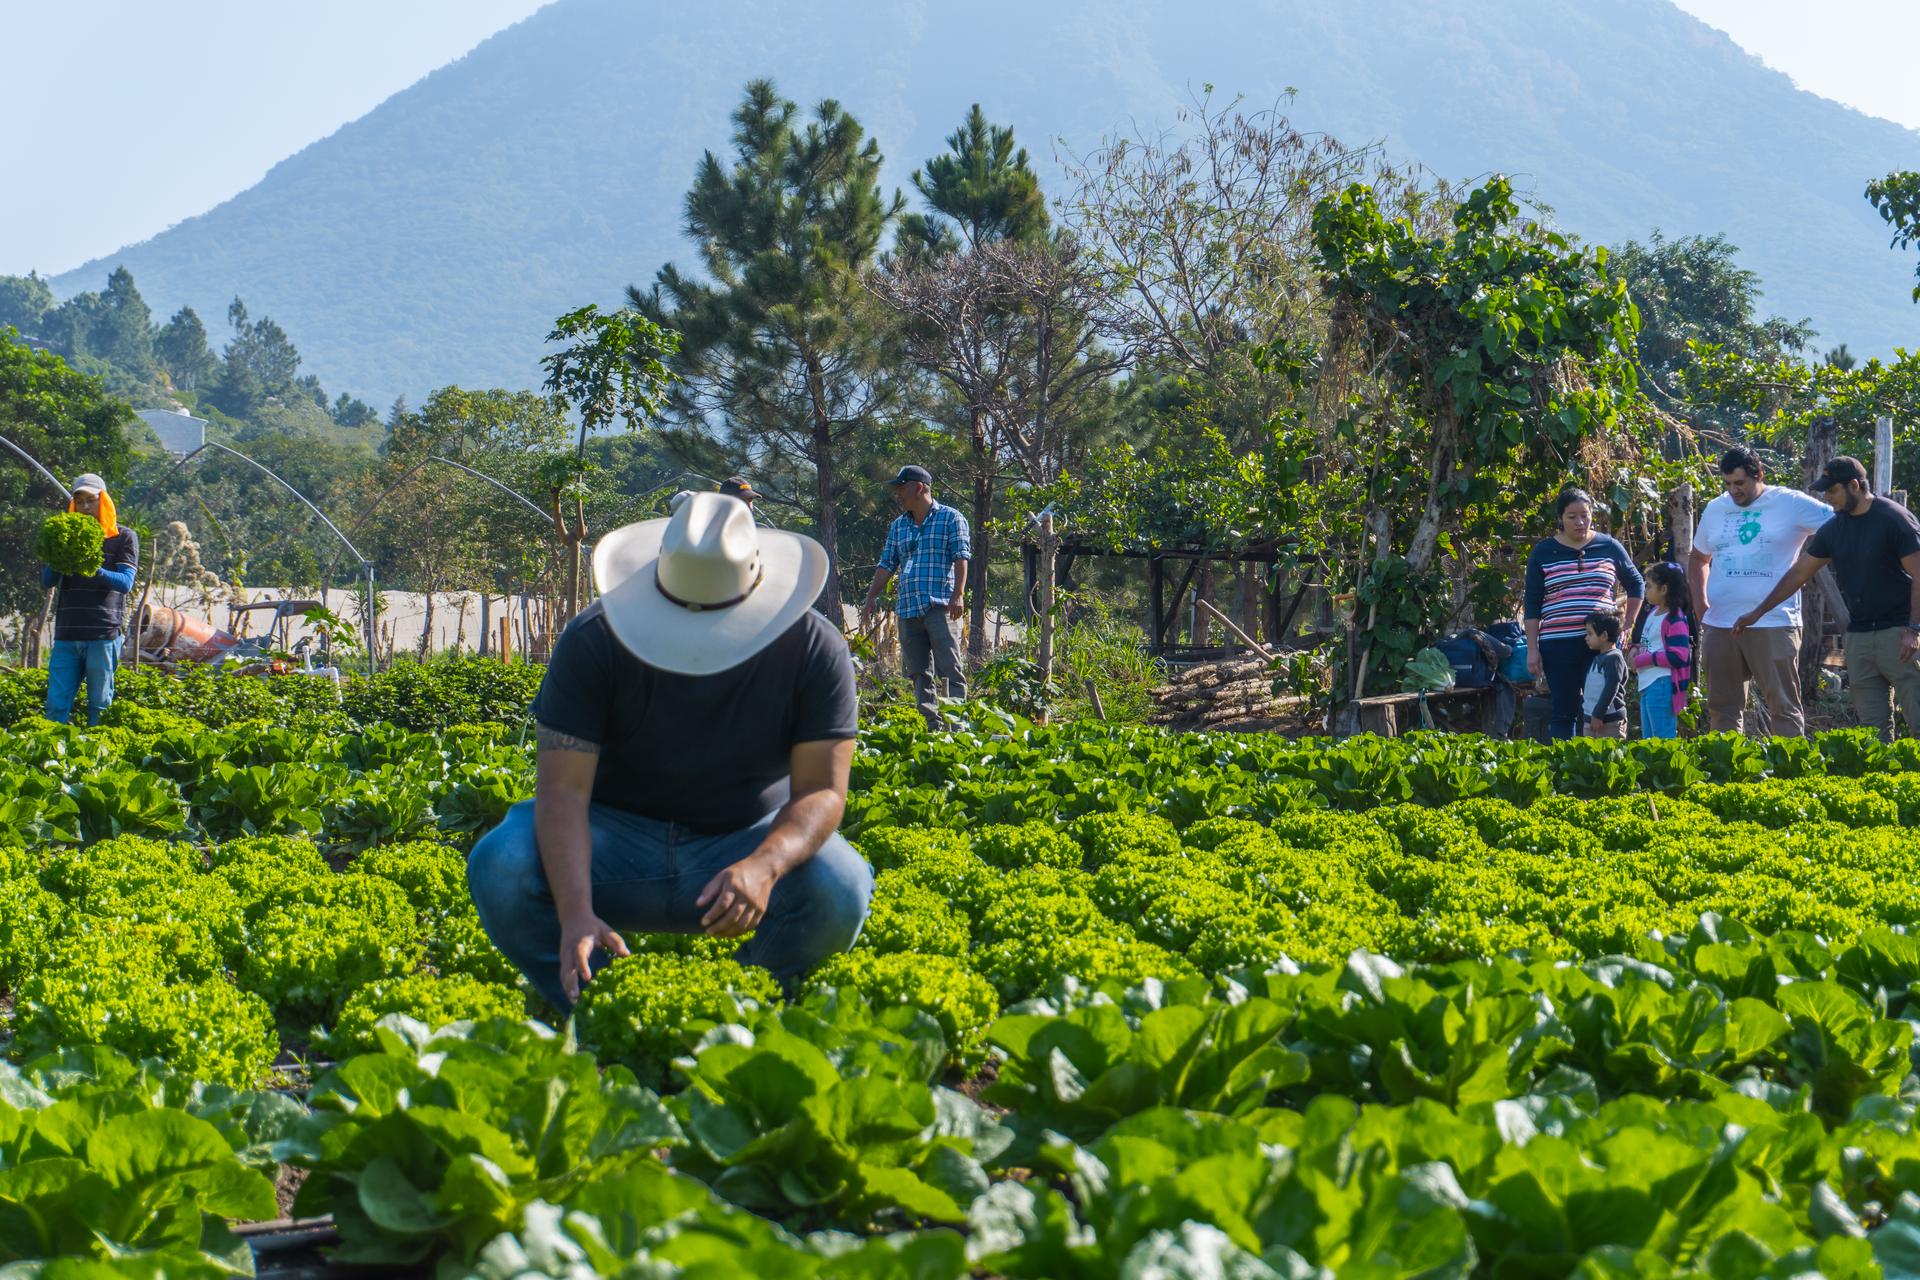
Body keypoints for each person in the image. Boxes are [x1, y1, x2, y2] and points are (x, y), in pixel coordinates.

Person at [466, 492, 873, 1012]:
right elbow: (563, 793)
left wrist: (764, 866)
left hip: (741, 842)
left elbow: (821, 790)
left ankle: (746, 1008)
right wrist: (575, 913)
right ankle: (596, 1009)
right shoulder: (594, 639)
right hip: (612, 842)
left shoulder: (814, 648)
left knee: (841, 885)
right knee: (502, 865)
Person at [1731, 456, 1920, 740]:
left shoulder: (1893, 519)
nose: (1828, 499)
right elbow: (1798, 574)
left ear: (1854, 485)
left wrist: (1914, 629)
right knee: (1872, 732)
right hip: (1859, 637)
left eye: (1832, 491)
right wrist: (1757, 612)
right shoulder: (1834, 529)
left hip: (1899, 633)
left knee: (1917, 715)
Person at [1689, 447, 1832, 736]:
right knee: (1722, 707)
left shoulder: (1789, 503)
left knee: (1783, 706)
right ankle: (1728, 774)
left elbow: (1839, 526)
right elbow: (1697, 558)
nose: (1733, 490)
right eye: (1728, 483)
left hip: (1774, 621)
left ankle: (1788, 776)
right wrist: (1700, 603)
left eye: (1740, 483)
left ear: (1759, 475)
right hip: (1720, 623)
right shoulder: (1717, 507)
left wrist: (1810, 563)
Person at [1524, 488, 1643, 739]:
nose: (1580, 522)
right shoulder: (1544, 552)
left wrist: (1627, 625)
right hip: (1557, 645)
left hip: (1599, 646)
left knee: (1603, 709)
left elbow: (1636, 584)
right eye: (1572, 516)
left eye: (1585, 515)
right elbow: (1532, 603)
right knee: (1563, 711)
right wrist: (1532, 649)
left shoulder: (1608, 546)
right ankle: (1564, 769)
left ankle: (1602, 769)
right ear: (1560, 518)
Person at [860, 464, 970, 730]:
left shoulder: (951, 518)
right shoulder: (899, 526)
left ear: (918, 487)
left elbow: (961, 556)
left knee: (950, 667)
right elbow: (887, 563)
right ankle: (932, 726)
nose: (898, 494)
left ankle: (959, 727)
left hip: (939, 605)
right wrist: (871, 596)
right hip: (908, 608)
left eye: (902, 488)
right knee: (919, 672)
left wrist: (958, 595)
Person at [39, 473, 138, 727]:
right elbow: (48, 580)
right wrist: (60, 556)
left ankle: (97, 761)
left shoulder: (123, 537)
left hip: (102, 634)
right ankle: (50, 762)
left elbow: (126, 582)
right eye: (79, 501)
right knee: (56, 704)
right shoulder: (67, 534)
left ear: (103, 501)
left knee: (100, 704)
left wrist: (93, 567)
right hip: (67, 634)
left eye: (91, 501)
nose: (85, 507)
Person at [1629, 562, 1695, 739]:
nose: (1646, 590)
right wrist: (1635, 649)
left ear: (1664, 589)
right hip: (1648, 684)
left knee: (1662, 740)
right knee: (1649, 741)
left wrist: (1642, 660)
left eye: (1649, 586)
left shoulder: (1675, 618)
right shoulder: (1653, 613)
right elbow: (1650, 641)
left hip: (1662, 684)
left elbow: (1679, 655)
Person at [1582, 610, 1629, 738]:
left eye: (1590, 634)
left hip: (1609, 721)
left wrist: (1598, 714)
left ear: (1604, 636)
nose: (1586, 638)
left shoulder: (1614, 658)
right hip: (1591, 720)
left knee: (1611, 756)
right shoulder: (1599, 658)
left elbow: (1611, 687)